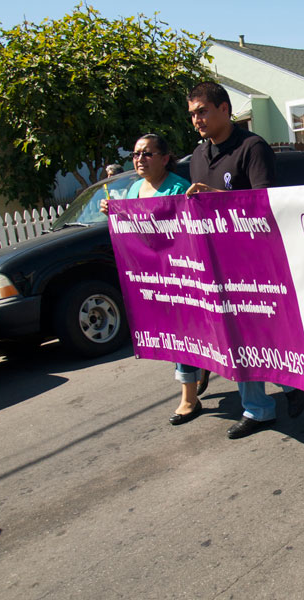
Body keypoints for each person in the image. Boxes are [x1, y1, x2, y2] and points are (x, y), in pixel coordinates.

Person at [184, 81, 304, 438]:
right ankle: (259, 408)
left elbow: (264, 204)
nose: (197, 120)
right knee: (236, 337)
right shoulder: (198, 156)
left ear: (224, 109)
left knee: (261, 332)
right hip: (217, 263)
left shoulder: (252, 148)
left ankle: (291, 383)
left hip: (254, 262)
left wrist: (216, 197)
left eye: (203, 111)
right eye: (192, 114)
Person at [100, 134, 205, 424]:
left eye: (147, 153)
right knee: (173, 334)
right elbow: (132, 231)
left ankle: (189, 398)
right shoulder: (134, 189)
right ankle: (199, 372)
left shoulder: (178, 188)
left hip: (180, 275)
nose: (139, 159)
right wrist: (112, 212)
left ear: (164, 158)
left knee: (183, 334)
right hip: (152, 278)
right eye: (136, 154)